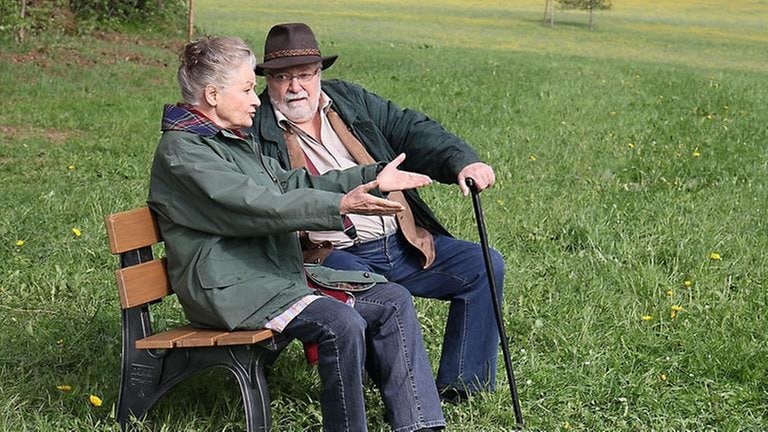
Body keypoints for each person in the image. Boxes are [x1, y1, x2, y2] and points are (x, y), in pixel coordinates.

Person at [147, 35, 445, 432]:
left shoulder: (227, 141)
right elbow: (256, 206)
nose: (256, 100)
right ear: (213, 94)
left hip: (269, 274)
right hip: (231, 290)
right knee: (340, 323)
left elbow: (289, 184)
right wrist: (340, 206)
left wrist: (372, 176)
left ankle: (421, 425)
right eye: (248, 89)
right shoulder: (184, 152)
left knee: (391, 299)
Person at [249, 22, 506, 402]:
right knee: (385, 296)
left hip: (400, 240)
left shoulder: (347, 100)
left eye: (304, 75)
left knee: (483, 264)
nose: (294, 87)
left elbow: (409, 128)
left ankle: (462, 386)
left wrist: (461, 162)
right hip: (329, 255)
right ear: (268, 80)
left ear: (319, 73)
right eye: (282, 77)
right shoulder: (256, 127)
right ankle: (398, 392)